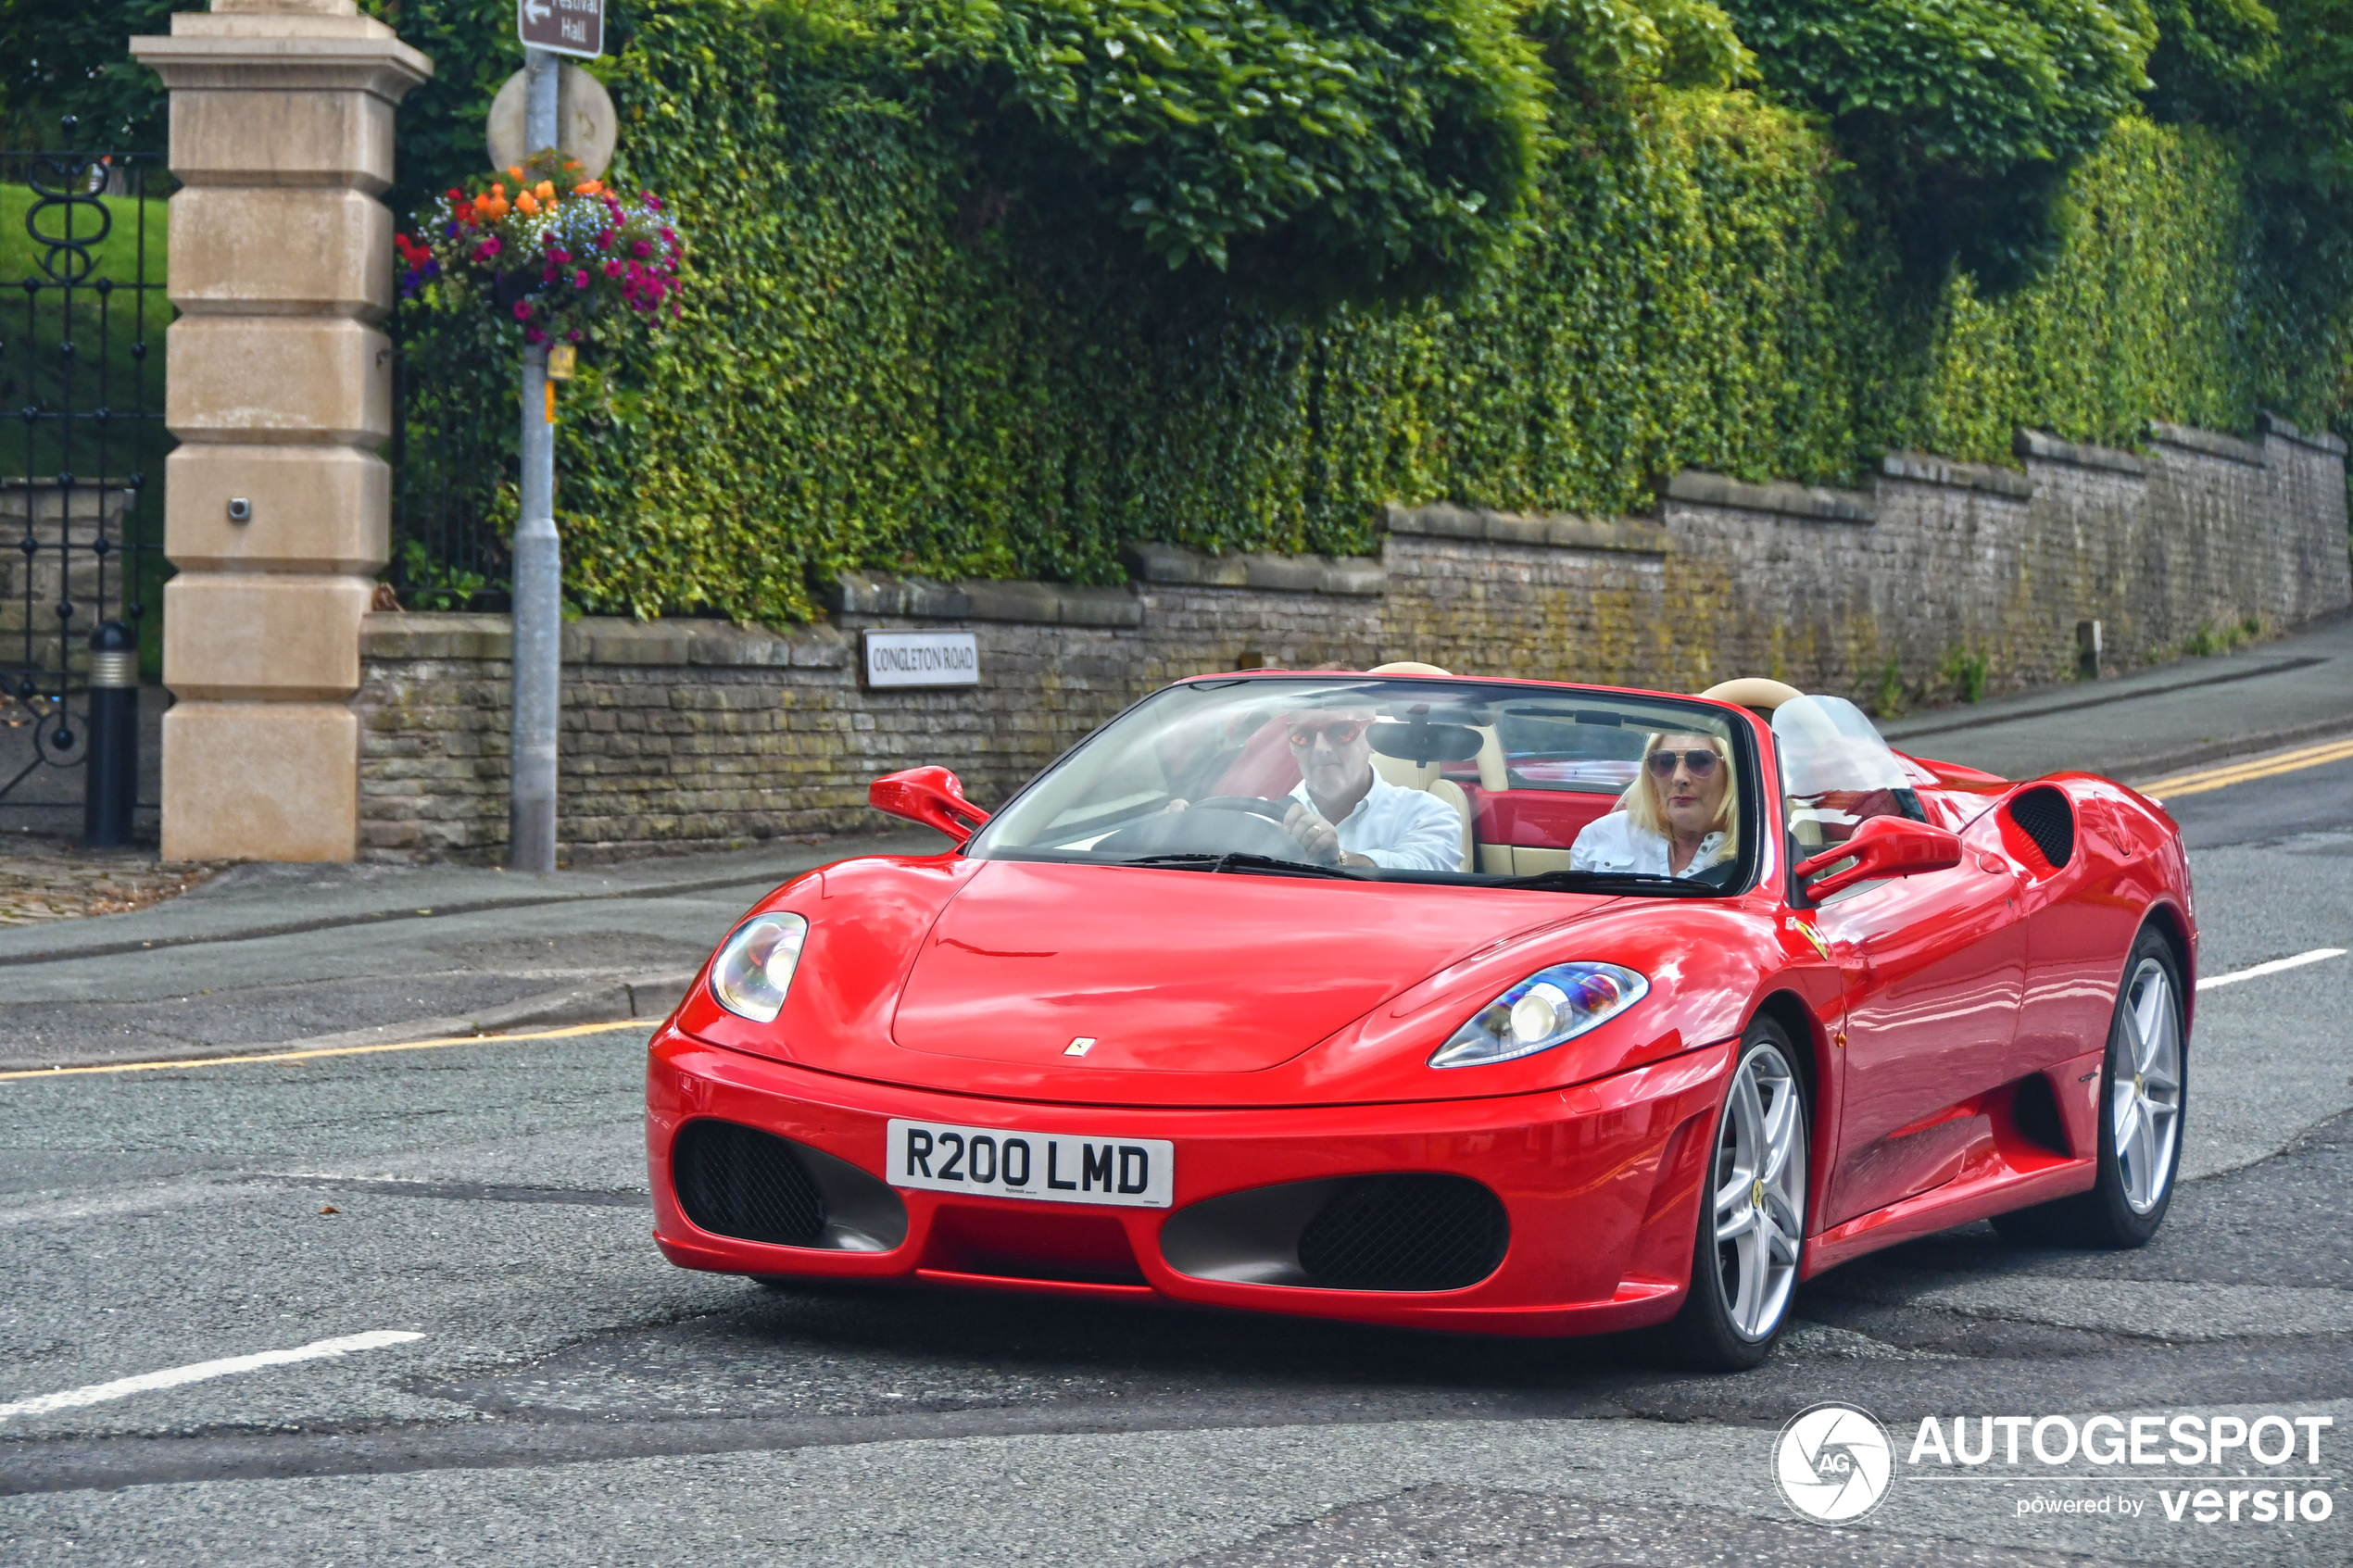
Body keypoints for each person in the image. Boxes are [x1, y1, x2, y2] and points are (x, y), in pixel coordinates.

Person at [1277, 706, 1467, 872]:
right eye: (1303, 735)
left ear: (1374, 738)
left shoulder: (1429, 814)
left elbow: (1424, 874)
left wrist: (1338, 860)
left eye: (1341, 731)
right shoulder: (1266, 818)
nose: (1320, 748)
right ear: (1291, 746)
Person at [1569, 731, 1737, 877]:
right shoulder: (1601, 835)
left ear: (1732, 773)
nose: (1678, 777)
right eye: (1664, 762)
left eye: (1699, 761)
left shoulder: (1757, 854)